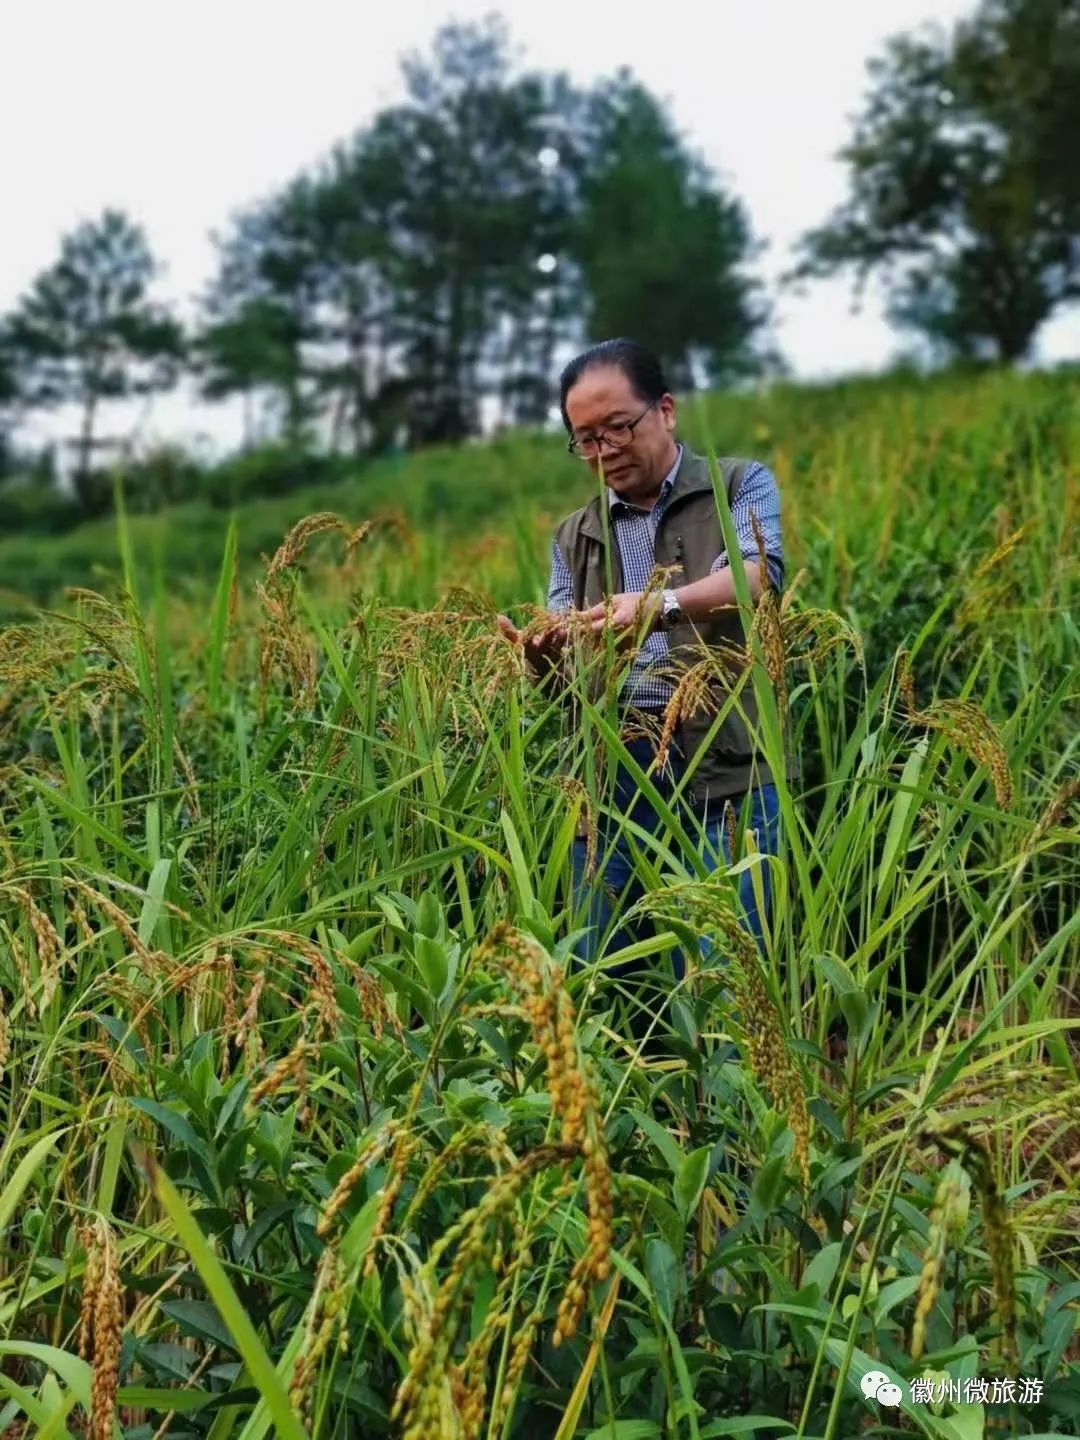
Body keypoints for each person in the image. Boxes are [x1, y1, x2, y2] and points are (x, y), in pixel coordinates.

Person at [498, 337, 785, 989]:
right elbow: (566, 667)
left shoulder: (737, 485)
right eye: (586, 439)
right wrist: (539, 658)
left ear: (665, 410)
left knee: (727, 976)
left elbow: (756, 575)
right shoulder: (574, 535)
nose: (605, 451)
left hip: (729, 763)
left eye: (619, 427)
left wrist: (656, 606)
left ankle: (729, 1096)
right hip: (616, 772)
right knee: (602, 972)